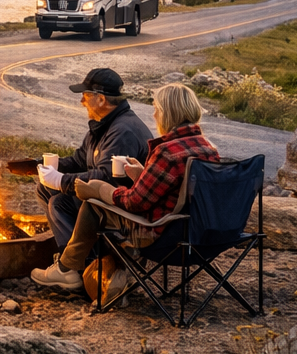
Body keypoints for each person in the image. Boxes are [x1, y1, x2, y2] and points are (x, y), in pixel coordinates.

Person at [31, 83, 220, 303]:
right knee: (87, 199)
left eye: (157, 109)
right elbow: (177, 190)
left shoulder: (168, 152)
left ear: (169, 113)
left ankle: (68, 268)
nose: (154, 114)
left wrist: (102, 190)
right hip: (202, 235)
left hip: (163, 235)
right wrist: (142, 175)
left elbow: (135, 202)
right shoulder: (208, 148)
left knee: (92, 203)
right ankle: (74, 267)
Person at [32, 68, 150, 271]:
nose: (82, 101)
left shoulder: (123, 131)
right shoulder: (103, 125)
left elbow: (107, 178)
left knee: (60, 203)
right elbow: (79, 160)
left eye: (86, 96)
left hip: (123, 209)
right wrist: (47, 167)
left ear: (101, 99)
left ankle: (76, 268)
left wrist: (61, 181)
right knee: (45, 189)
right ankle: (76, 251)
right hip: (106, 200)